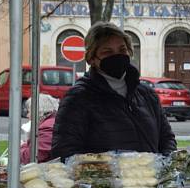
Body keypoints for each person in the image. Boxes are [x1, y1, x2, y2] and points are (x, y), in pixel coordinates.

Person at [51, 22, 176, 159]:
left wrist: (164, 166)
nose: (117, 56)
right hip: (103, 180)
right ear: (92, 58)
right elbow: (65, 153)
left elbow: (167, 139)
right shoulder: (78, 98)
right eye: (107, 52)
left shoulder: (147, 95)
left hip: (151, 178)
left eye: (122, 50)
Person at [20, 94, 60, 164]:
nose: (27, 116)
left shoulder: (47, 127)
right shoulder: (52, 122)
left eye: (29, 111)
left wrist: (21, 146)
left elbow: (30, 157)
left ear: (38, 112)